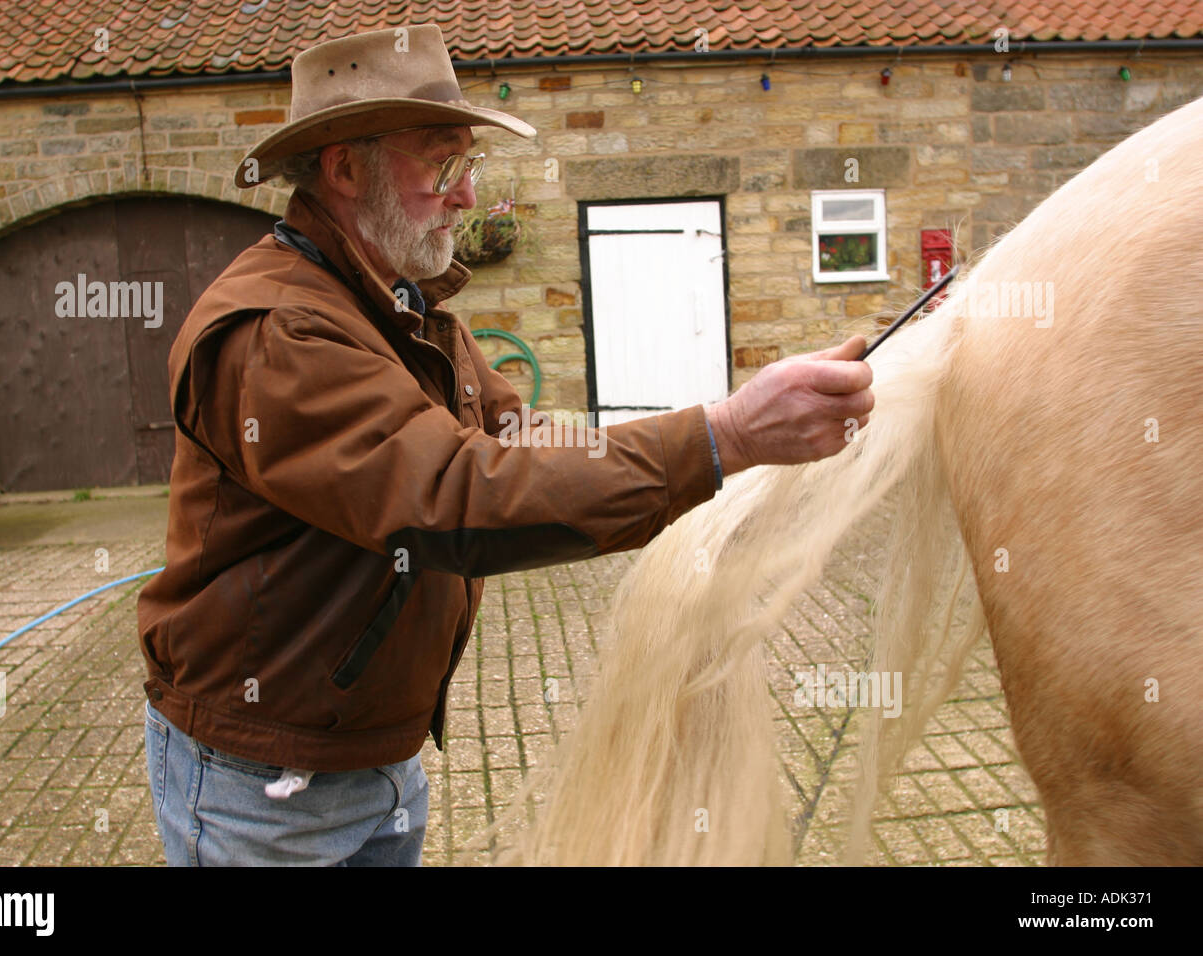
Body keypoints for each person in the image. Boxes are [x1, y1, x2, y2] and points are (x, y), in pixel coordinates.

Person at [136, 24, 873, 866]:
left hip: (374, 751)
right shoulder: (281, 331)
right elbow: (455, 497)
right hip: (262, 781)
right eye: (443, 165)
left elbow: (523, 442)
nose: (466, 196)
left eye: (467, 167)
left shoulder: (399, 306)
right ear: (345, 167)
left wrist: (718, 449)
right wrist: (723, 437)